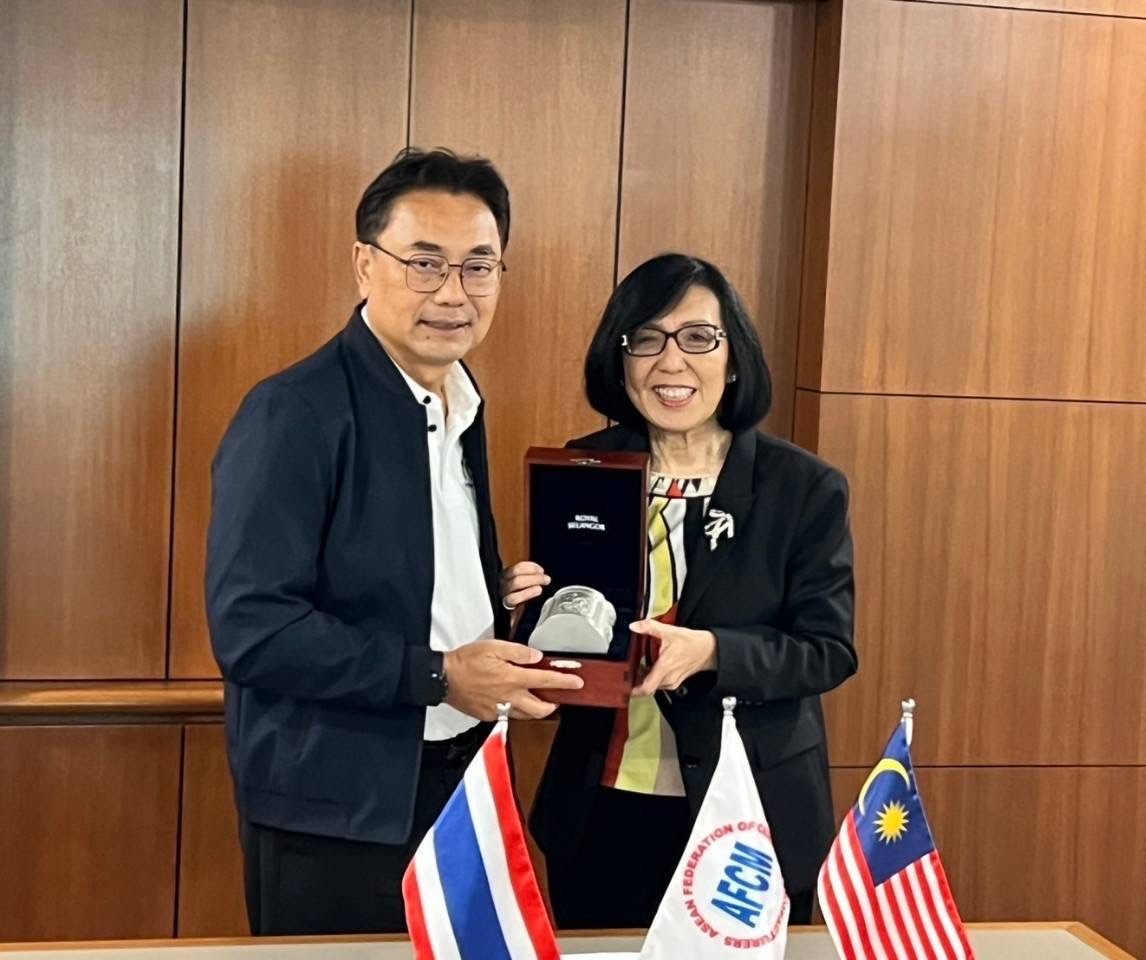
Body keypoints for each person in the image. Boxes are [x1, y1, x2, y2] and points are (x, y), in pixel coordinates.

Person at [205, 147, 580, 936]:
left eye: (479, 266)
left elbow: (390, 572)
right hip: (335, 809)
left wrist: (485, 594)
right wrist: (440, 674)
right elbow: (252, 628)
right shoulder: (293, 412)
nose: (453, 292)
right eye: (425, 263)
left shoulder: (459, 401)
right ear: (364, 264)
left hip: (462, 780)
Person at [515, 253, 857, 929]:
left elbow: (827, 650)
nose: (671, 361)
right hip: (601, 805)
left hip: (747, 809)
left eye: (698, 338)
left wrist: (712, 651)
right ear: (620, 361)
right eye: (646, 339)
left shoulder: (802, 487)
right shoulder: (583, 467)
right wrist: (521, 607)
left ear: (734, 359)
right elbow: (563, 632)